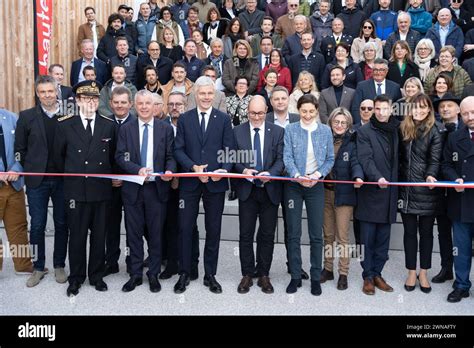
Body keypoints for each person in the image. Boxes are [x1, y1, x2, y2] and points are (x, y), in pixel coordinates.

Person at [53, 80, 116, 297]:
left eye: (95, 98)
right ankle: (76, 277)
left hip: (100, 191)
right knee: (77, 237)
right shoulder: (64, 124)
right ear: (78, 101)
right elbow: (58, 158)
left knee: (99, 237)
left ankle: (96, 276)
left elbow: (112, 157)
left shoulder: (109, 124)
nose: (91, 102)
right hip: (76, 191)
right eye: (86, 98)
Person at [173, 76, 235, 294]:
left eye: (210, 93)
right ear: (195, 95)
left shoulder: (223, 119)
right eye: (202, 93)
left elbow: (230, 150)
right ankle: (185, 272)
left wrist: (223, 171)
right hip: (190, 182)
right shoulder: (185, 118)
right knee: (185, 227)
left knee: (213, 229)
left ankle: (210, 274)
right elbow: (178, 149)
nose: (206, 97)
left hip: (215, 183)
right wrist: (193, 168)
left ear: (214, 95)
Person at [115, 90, 176, 293]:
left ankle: (153, 274)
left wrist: (170, 170)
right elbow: (121, 157)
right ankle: (135, 274)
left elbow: (170, 156)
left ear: (155, 106)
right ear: (134, 105)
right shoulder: (126, 129)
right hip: (133, 188)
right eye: (140, 103)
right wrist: (136, 170)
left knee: (156, 233)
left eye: (147, 103)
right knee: (133, 233)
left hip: (156, 189)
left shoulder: (165, 129)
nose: (143, 107)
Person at [15, 75, 69, 287]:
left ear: (57, 91)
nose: (47, 95)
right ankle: (38, 267)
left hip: (64, 179)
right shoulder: (26, 117)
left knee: (62, 223)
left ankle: (59, 264)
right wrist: (26, 169)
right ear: (37, 94)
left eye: (50, 91)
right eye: (42, 92)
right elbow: (19, 150)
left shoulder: (68, 114)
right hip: (37, 180)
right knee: (37, 225)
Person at [283, 94, 335, 296]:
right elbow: (287, 156)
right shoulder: (290, 129)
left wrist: (317, 175)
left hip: (315, 186)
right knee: (293, 232)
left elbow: (330, 159)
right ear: (298, 110)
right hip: (294, 186)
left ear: (316, 111)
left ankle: (315, 277)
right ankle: (295, 276)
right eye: (303, 111)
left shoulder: (325, 131)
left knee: (316, 233)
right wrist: (296, 175)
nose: (307, 114)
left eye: (311, 111)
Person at [233, 95, 285, 294]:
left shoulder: (278, 132)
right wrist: (243, 170)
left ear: (266, 112)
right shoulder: (237, 131)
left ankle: (264, 274)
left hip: (270, 191)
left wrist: (270, 174)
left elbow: (281, 159)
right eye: (253, 113)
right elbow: (232, 157)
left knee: (267, 234)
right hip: (247, 190)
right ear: (247, 112)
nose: (256, 117)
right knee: (245, 234)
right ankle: (247, 274)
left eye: (261, 113)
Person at [398, 93, 443, 294]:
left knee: (425, 234)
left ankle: (423, 272)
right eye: (416, 107)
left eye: (424, 107)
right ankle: (411, 271)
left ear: (429, 110)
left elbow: (435, 160)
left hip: (426, 191)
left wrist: (431, 175)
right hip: (405, 190)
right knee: (409, 234)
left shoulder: (435, 131)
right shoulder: (403, 128)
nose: (419, 111)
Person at [356, 94, 400, 295]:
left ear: (391, 109)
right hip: (372, 191)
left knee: (383, 238)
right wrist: (377, 177)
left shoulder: (397, 130)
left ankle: (378, 274)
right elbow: (366, 159)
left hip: (390, 194)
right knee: (367, 238)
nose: (381, 112)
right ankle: (367, 276)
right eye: (377, 109)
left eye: (385, 108)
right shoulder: (365, 131)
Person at [321, 107, 363, 290]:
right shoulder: (323, 138)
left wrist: (357, 177)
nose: (339, 125)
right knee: (328, 234)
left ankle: (343, 273)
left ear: (348, 125)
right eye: (336, 122)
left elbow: (355, 163)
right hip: (324, 193)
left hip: (344, 194)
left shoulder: (353, 141)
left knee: (342, 236)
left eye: (343, 123)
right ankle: (328, 269)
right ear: (330, 122)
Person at [442, 96, 474, 303]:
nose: (470, 117)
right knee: (461, 248)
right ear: (460, 115)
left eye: (473, 113)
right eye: (466, 114)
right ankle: (461, 285)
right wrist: (455, 179)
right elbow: (446, 164)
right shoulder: (454, 137)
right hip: (462, 202)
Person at [103, 86, 137, 277]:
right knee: (111, 225)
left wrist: (126, 176)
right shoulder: (105, 124)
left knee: (133, 226)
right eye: (116, 102)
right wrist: (110, 178)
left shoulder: (137, 123)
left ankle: (132, 261)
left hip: (131, 182)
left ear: (130, 104)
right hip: (110, 184)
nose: (120, 106)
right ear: (110, 104)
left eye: (123, 102)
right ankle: (111, 261)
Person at [431, 93, 461, 284]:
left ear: (458, 109)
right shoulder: (437, 129)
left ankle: (463, 274)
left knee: (463, 233)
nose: (445, 109)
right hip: (441, 188)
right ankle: (446, 268)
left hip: (463, 189)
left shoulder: (467, 129)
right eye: (442, 107)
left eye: (449, 105)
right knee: (443, 231)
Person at [0, 108, 34, 277]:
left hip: (14, 184)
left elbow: (23, 147)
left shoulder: (12, 118)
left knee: (18, 226)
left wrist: (17, 168)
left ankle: (23, 266)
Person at [351, 58, 402, 124]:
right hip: (367, 126)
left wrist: (394, 125)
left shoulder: (395, 87)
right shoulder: (362, 86)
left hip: (388, 126)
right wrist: (361, 125)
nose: (378, 72)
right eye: (375, 70)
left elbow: (398, 109)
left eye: (381, 70)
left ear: (386, 71)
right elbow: (355, 108)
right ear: (372, 71)